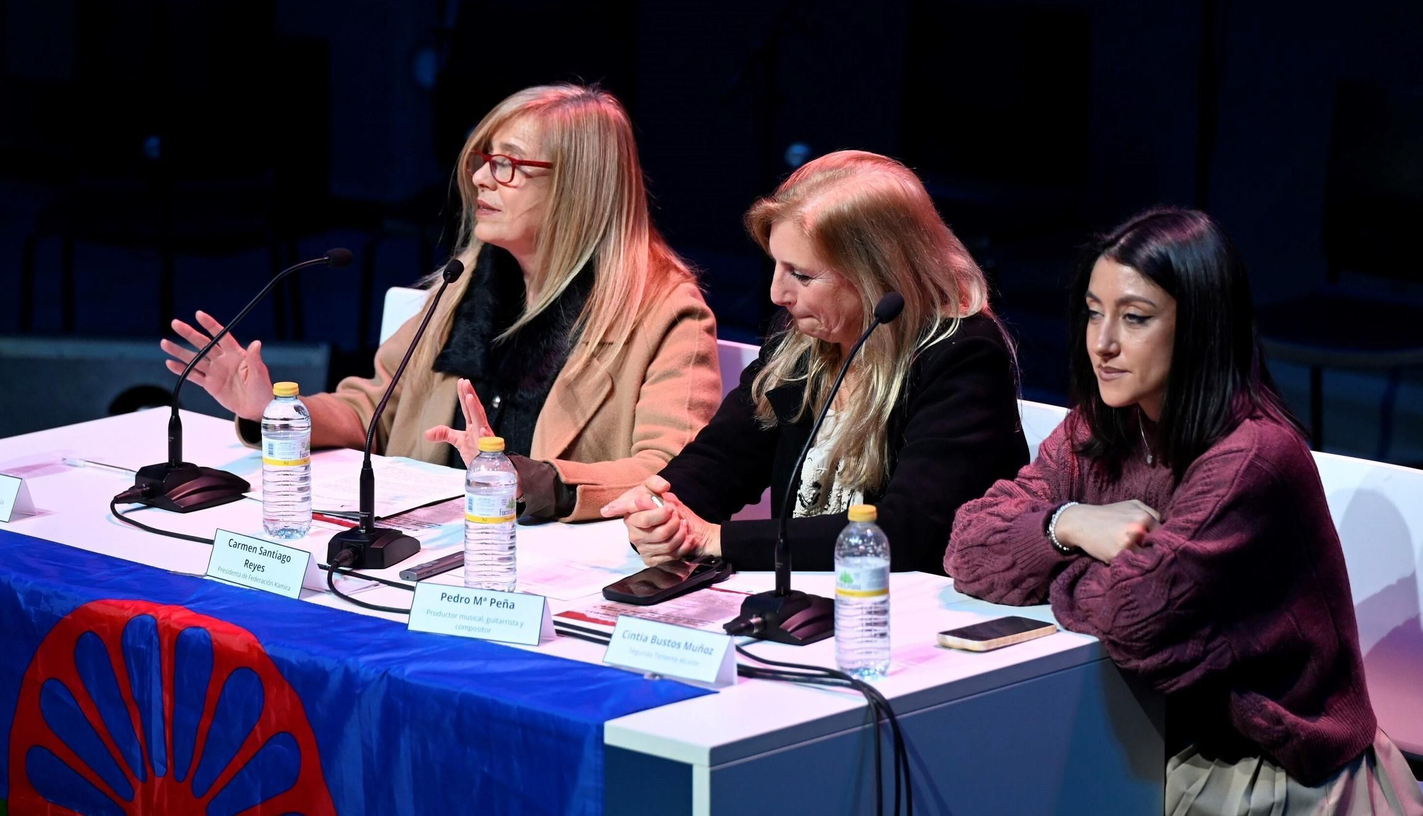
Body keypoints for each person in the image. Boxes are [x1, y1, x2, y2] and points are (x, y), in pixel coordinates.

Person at [944, 208, 1423, 816]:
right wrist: (1071, 525)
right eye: (1093, 312)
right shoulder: (1101, 427)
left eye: (1134, 318)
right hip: (1149, 743)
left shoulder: (1252, 458)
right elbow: (968, 543)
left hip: (1274, 776)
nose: (1102, 343)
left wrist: (1060, 568)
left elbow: (1133, 618)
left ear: (1199, 327)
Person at [162, 84, 723, 522]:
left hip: (549, 561)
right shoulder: (467, 283)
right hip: (436, 537)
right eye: (482, 158)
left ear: (578, 186)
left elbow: (672, 472)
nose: (479, 178)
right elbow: (376, 409)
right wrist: (275, 411)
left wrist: (538, 480)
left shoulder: (663, 311)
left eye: (507, 164)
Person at [602, 150, 1028, 573]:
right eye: (777, 266)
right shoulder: (804, 339)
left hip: (904, 604)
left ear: (879, 274)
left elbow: (906, 531)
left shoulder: (963, 355)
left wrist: (715, 539)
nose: (777, 294)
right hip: (806, 596)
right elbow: (723, 458)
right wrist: (663, 510)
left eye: (802, 275)